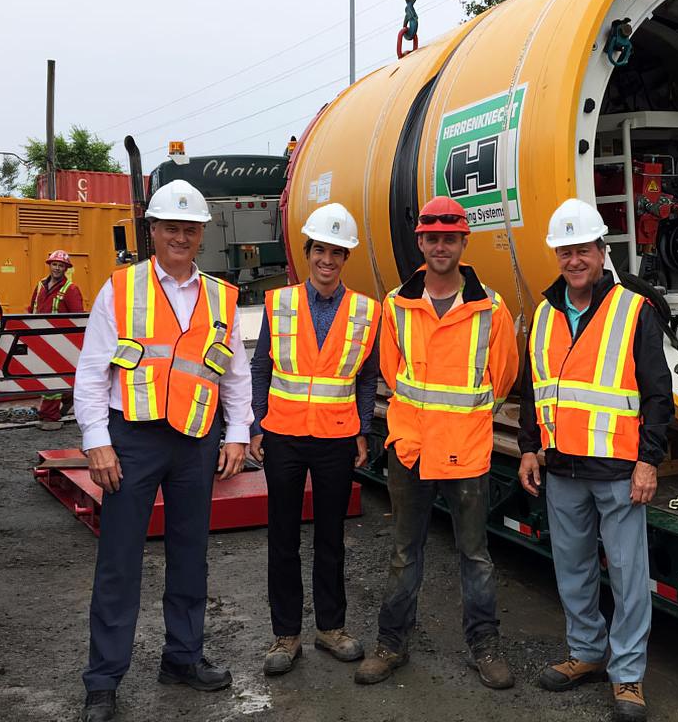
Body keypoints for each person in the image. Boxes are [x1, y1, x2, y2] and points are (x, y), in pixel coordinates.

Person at [73, 180, 252, 722]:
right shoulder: (120, 289)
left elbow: (235, 372)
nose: (180, 236)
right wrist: (97, 441)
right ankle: (103, 681)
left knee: (190, 554)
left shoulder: (221, 296)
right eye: (170, 227)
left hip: (195, 442)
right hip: (132, 439)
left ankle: (183, 656)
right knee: (120, 561)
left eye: (190, 228)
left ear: (201, 235)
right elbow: (90, 371)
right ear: (153, 231)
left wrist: (238, 432)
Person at [517, 198, 674, 722]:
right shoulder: (544, 313)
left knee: (629, 576)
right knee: (573, 570)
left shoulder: (633, 309)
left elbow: (657, 394)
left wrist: (650, 460)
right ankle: (585, 652)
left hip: (618, 470)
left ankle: (627, 675)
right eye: (565, 251)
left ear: (602, 252)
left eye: (582, 249)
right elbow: (532, 389)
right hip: (562, 469)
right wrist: (527, 449)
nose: (573, 259)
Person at [354, 196, 519, 689]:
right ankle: (391, 645)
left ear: (463, 243)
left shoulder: (491, 308)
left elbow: (503, 375)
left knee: (475, 555)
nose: (441, 245)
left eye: (450, 237)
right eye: (433, 237)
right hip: (411, 447)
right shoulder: (398, 305)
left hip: (465, 451)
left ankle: (484, 647)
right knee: (405, 552)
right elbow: (391, 369)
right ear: (421, 242)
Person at [249, 203, 381, 676]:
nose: (328, 260)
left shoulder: (367, 310)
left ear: (346, 258)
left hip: (337, 438)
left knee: (332, 538)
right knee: (282, 538)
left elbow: (367, 378)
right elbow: (261, 364)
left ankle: (331, 629)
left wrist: (363, 430)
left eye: (337, 252)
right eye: (321, 250)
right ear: (308, 253)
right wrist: (256, 422)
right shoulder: (280, 303)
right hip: (283, 435)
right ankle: (286, 635)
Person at [28, 249, 84, 431]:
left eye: (61, 265)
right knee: (49, 377)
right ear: (49, 265)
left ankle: (49, 416)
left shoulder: (71, 289)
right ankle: (69, 397)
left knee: (52, 378)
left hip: (60, 341)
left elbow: (77, 318)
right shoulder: (40, 286)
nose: (57, 268)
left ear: (66, 268)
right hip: (40, 337)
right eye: (54, 264)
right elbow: (31, 309)